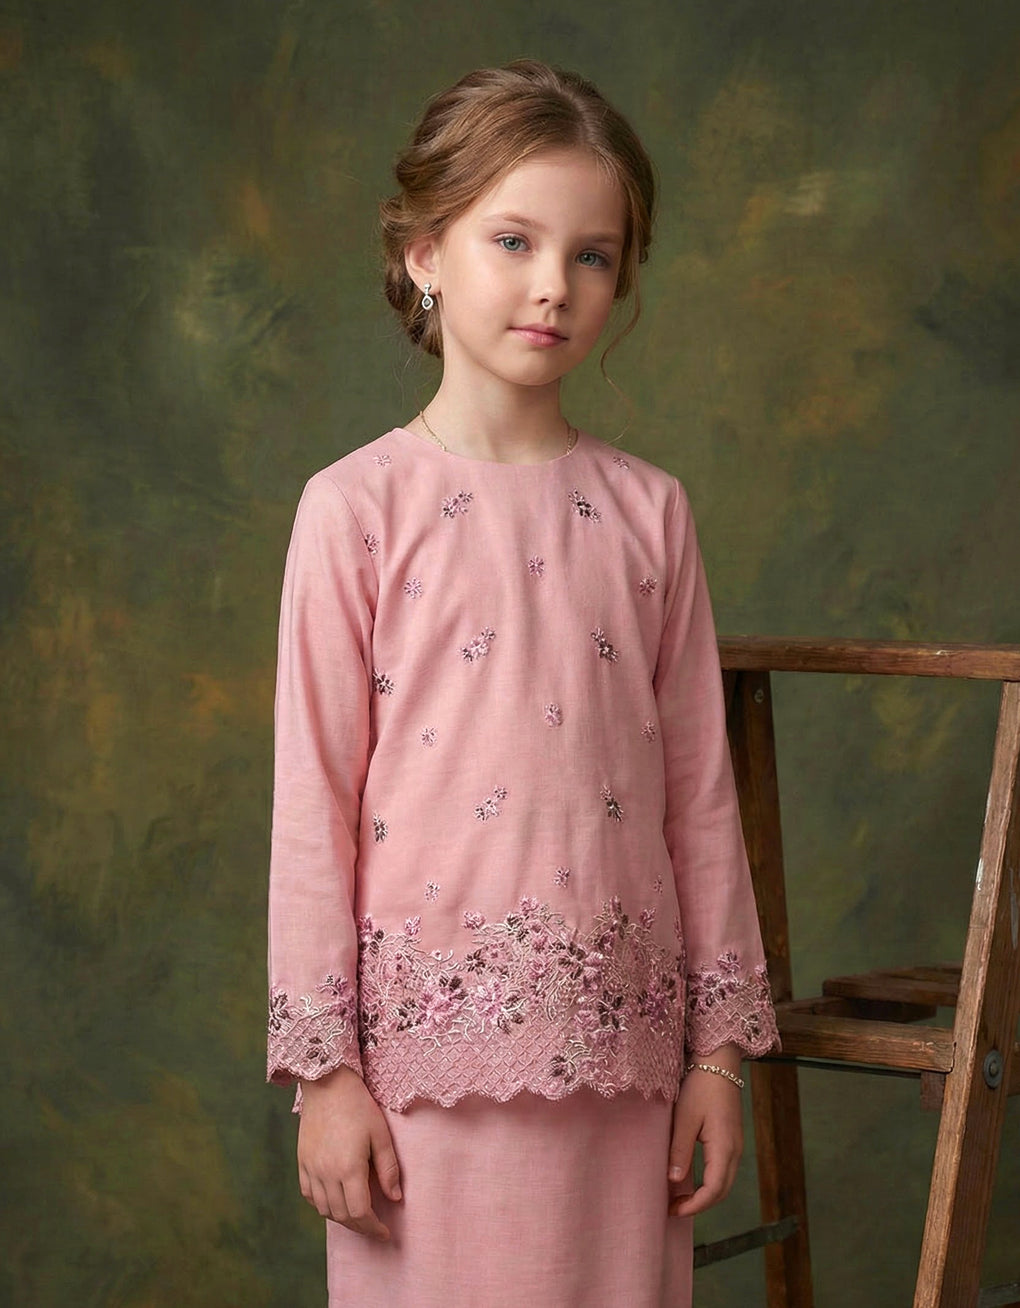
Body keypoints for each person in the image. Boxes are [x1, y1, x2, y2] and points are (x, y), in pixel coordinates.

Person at [267, 58, 779, 1308]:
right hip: (419, 1086)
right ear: (424, 254)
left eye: (593, 256)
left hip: (626, 1066)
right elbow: (313, 807)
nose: (555, 284)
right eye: (514, 241)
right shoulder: (355, 510)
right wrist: (326, 1074)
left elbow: (700, 800)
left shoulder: (651, 515)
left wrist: (719, 1057)